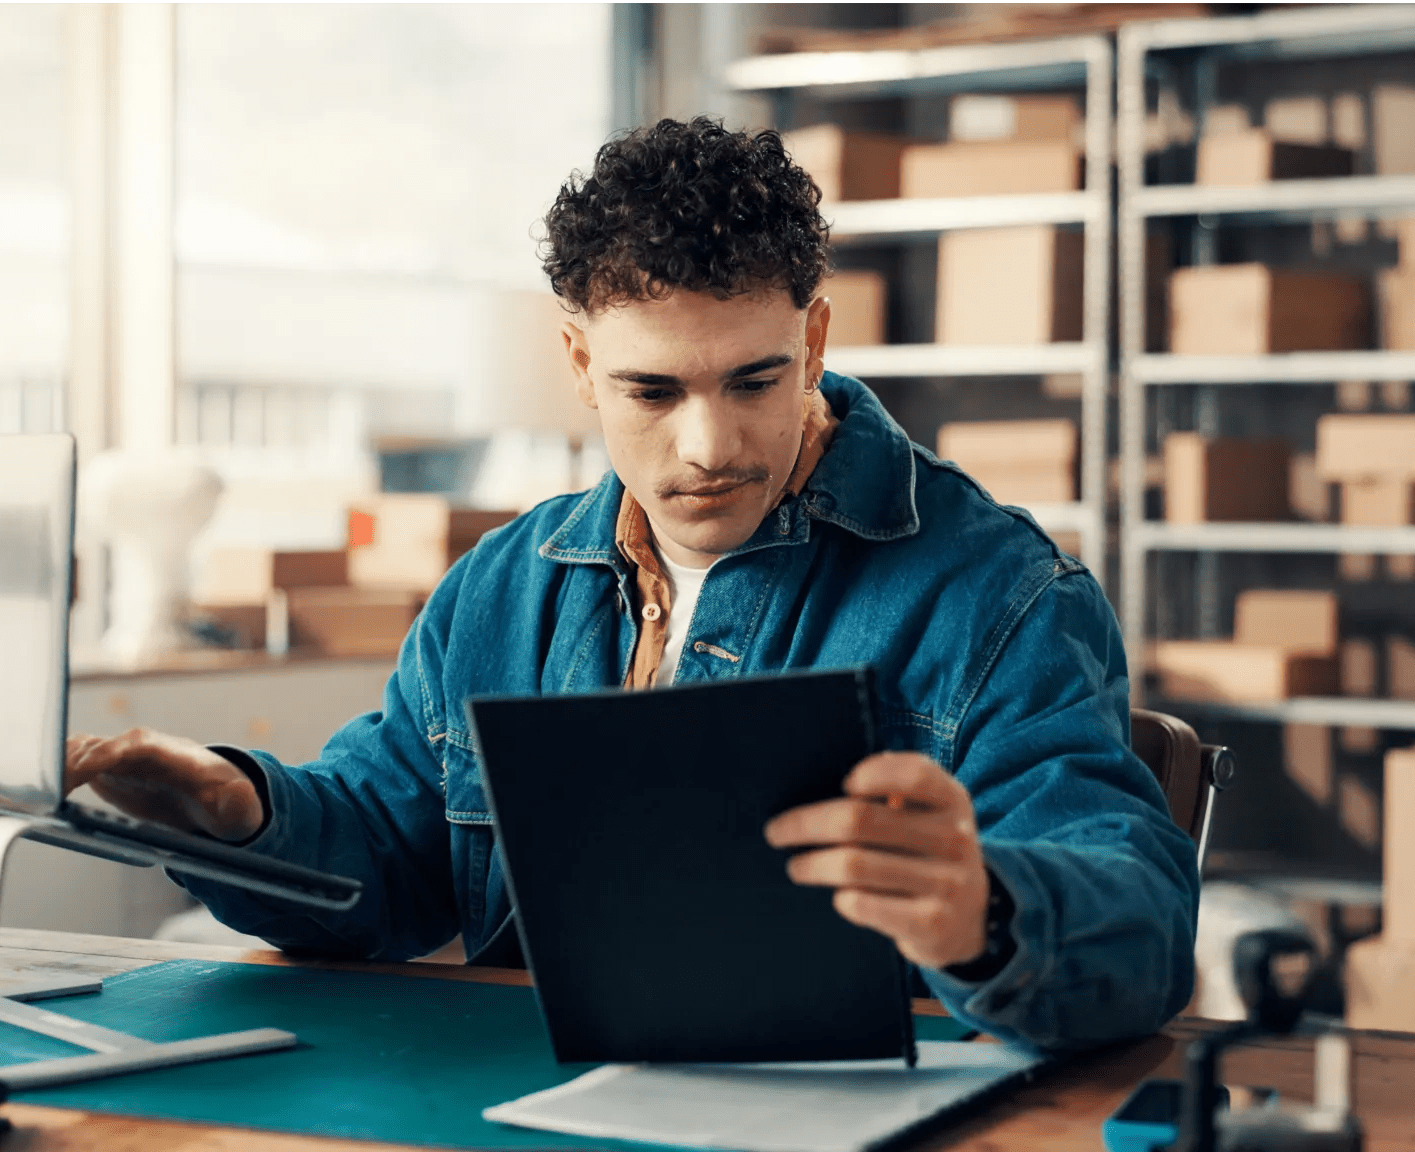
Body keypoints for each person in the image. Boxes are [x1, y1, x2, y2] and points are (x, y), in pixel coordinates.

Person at [66, 116, 1197, 1053]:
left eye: (753, 379)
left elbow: (1137, 918)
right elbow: (385, 861)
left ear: (812, 339)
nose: (707, 444)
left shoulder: (1002, 596)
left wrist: (982, 911)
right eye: (651, 392)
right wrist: (237, 814)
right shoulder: (499, 587)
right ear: (577, 365)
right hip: (521, 1108)